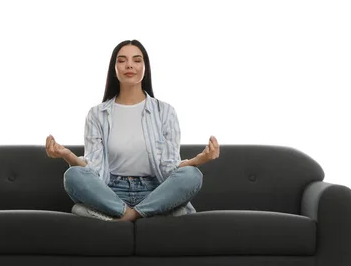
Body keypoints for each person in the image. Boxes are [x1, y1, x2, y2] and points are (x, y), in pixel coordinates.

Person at [45, 39, 220, 222]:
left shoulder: (165, 112)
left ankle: (124, 217)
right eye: (122, 60)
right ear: (114, 68)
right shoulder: (97, 114)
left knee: (192, 175)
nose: (129, 65)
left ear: (145, 67)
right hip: (111, 193)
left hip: (155, 192)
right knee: (72, 175)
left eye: (137, 60)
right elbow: (94, 170)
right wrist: (67, 155)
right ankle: (143, 215)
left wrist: (201, 159)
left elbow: (170, 169)